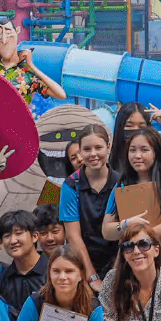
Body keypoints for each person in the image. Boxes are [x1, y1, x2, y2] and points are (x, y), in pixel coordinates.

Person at [102, 126, 161, 255]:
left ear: (156, 152)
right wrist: (125, 224)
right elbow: (107, 231)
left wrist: (139, 236)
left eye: (144, 150)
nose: (137, 155)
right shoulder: (121, 186)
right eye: (132, 150)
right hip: (130, 255)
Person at [58, 122, 116, 284]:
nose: (93, 154)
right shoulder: (69, 185)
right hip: (82, 263)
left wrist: (115, 275)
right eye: (87, 149)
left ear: (108, 147)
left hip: (118, 260)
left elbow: (128, 233)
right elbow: (73, 235)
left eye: (98, 147)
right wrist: (92, 277)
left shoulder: (122, 182)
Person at [0, 19, 67, 103]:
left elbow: (60, 94)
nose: (4, 40)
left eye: (8, 33)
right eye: (0, 33)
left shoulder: (28, 74)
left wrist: (31, 66)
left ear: (17, 31)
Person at [0, 209, 49, 310]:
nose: (13, 241)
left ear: (35, 236)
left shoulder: (53, 271)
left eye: (18, 233)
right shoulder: (1, 280)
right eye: (7, 236)